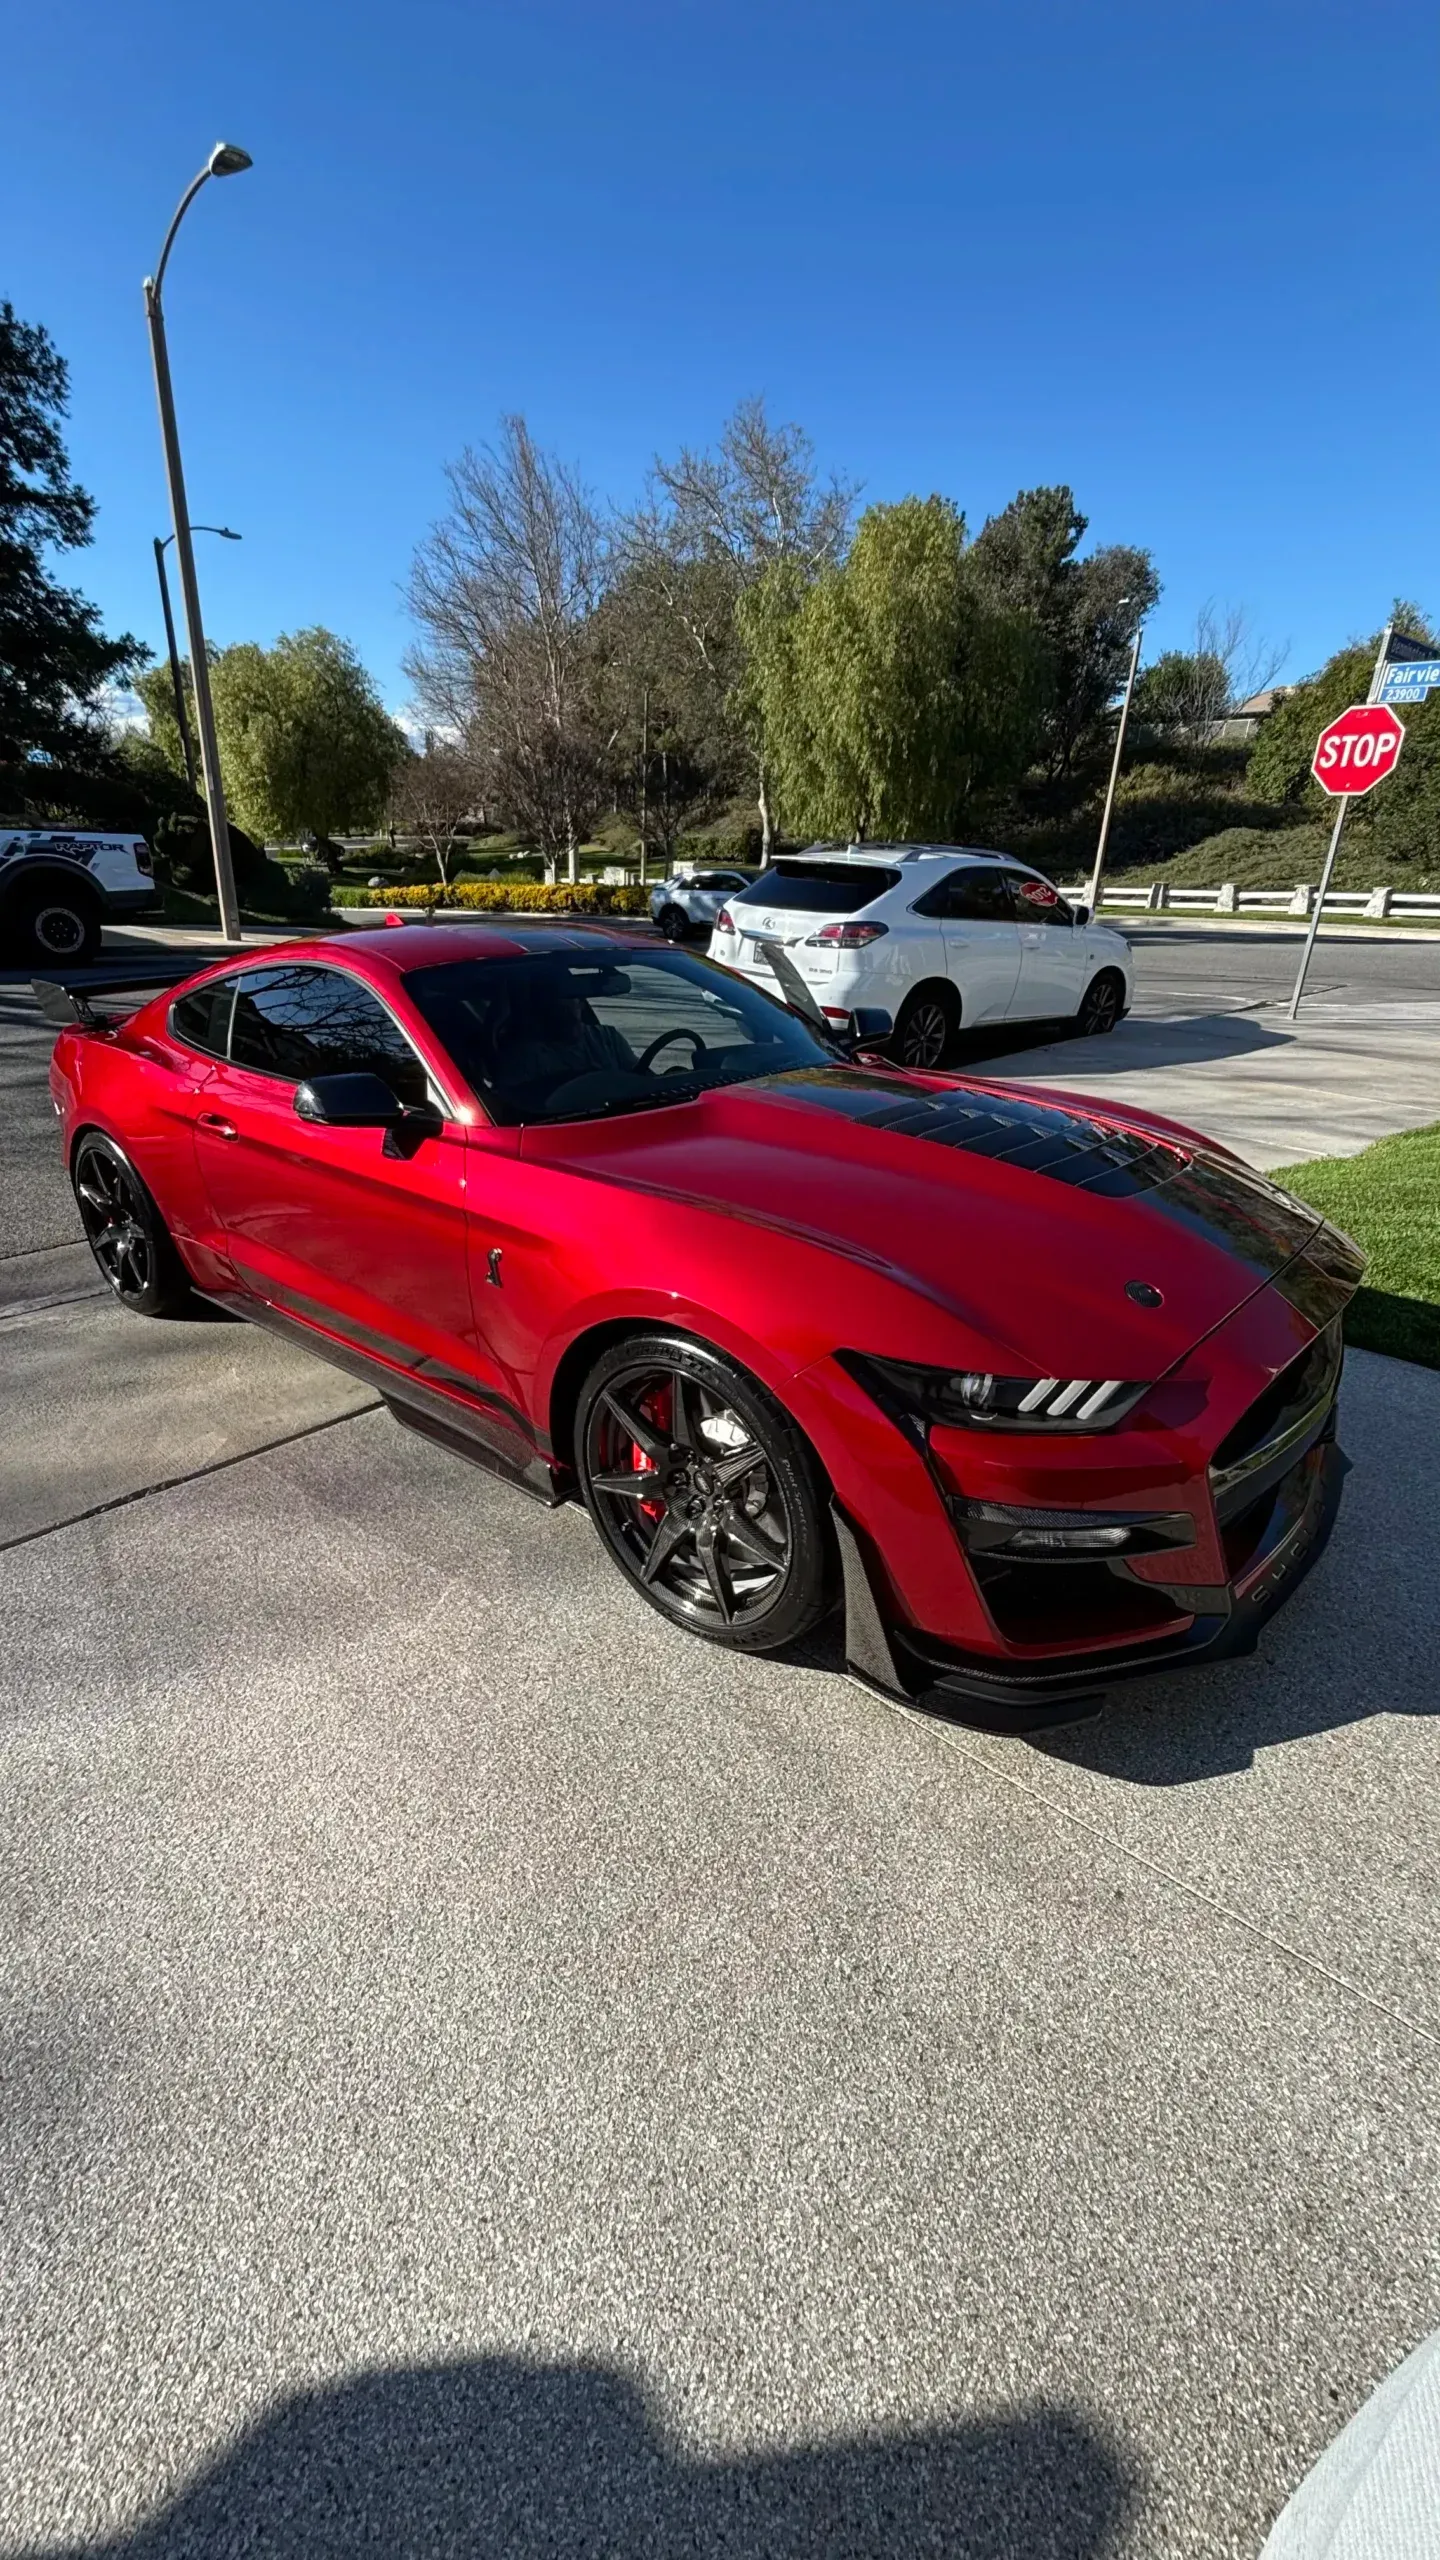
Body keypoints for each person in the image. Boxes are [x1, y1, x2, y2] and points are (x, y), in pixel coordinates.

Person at [500, 973, 640, 1103]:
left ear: (581, 1003)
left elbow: (641, 1077)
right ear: (542, 1006)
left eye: (569, 996)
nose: (564, 1004)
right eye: (556, 999)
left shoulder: (608, 1037)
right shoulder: (527, 1056)